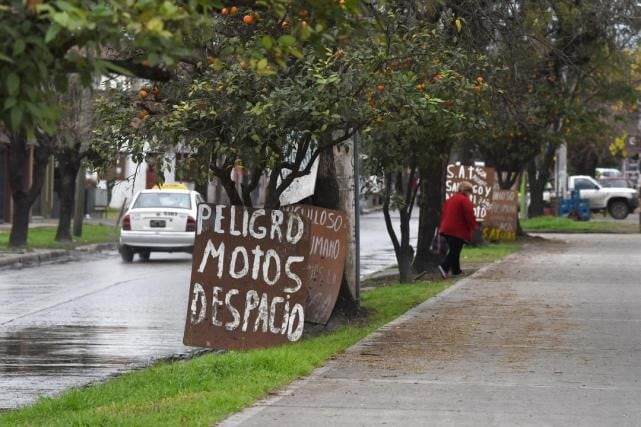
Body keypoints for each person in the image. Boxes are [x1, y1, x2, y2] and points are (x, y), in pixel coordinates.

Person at [437, 181, 477, 279]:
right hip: (457, 230)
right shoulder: (464, 200)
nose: (470, 195)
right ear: (467, 191)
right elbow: (469, 215)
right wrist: (473, 226)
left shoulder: (451, 199)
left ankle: (456, 271)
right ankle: (444, 267)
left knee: (455, 250)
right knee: (455, 251)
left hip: (446, 228)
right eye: (470, 192)